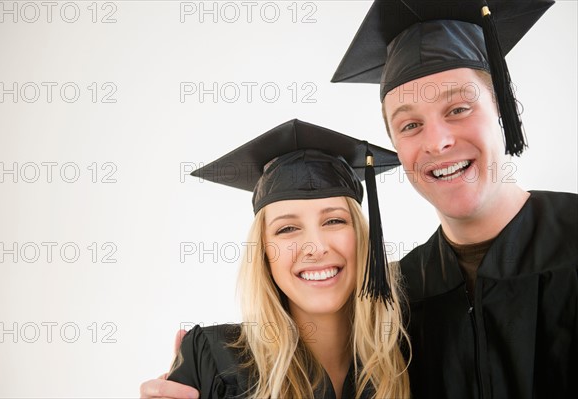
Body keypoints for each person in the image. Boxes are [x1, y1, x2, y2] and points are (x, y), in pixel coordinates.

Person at [142, 0, 578, 397]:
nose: (439, 141)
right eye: (409, 125)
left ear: (502, 105)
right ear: (394, 141)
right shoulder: (399, 301)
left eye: (458, 108)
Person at [143, 119, 410, 399]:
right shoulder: (216, 364)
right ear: (264, 252)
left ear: (362, 238)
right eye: (287, 228)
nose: (315, 247)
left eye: (333, 220)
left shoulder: (410, 351)